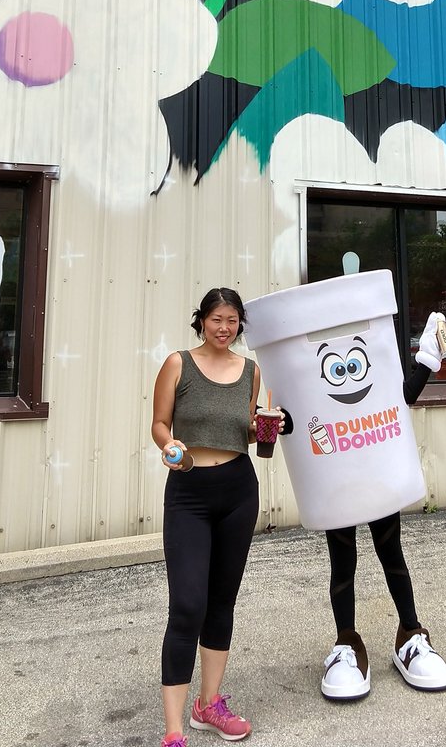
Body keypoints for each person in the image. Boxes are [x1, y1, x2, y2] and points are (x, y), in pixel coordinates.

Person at [151, 287, 284, 747]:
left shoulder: (251, 371)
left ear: (239, 323)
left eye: (231, 320)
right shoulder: (177, 364)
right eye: (215, 319)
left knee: (222, 600)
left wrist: (268, 423)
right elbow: (159, 423)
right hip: (188, 491)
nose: (224, 328)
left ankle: (209, 705)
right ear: (201, 321)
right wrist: (168, 445)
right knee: (188, 605)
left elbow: (245, 432)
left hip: (238, 490)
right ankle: (173, 730)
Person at [319, 312, 446, 700]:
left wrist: (426, 362)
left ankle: (411, 634)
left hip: (378, 476)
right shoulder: (314, 380)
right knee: (342, 563)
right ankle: (346, 642)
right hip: (336, 481)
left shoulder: (379, 371)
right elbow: (297, 419)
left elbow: (405, 396)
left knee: (391, 554)